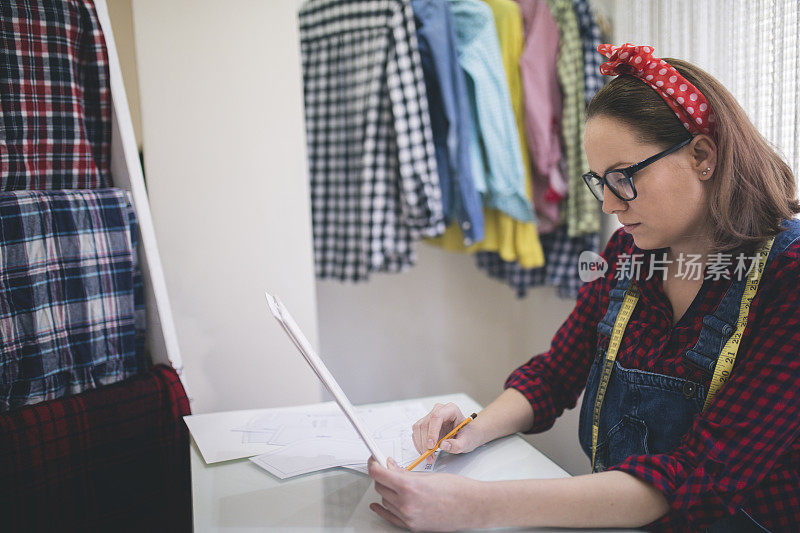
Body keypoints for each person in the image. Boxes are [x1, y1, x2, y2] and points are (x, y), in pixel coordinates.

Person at [367, 43, 800, 532]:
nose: (610, 205)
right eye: (600, 182)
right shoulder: (625, 257)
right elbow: (555, 375)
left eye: (624, 178)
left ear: (702, 155)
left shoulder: (788, 274)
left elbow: (698, 473)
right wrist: (469, 430)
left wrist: (477, 505)